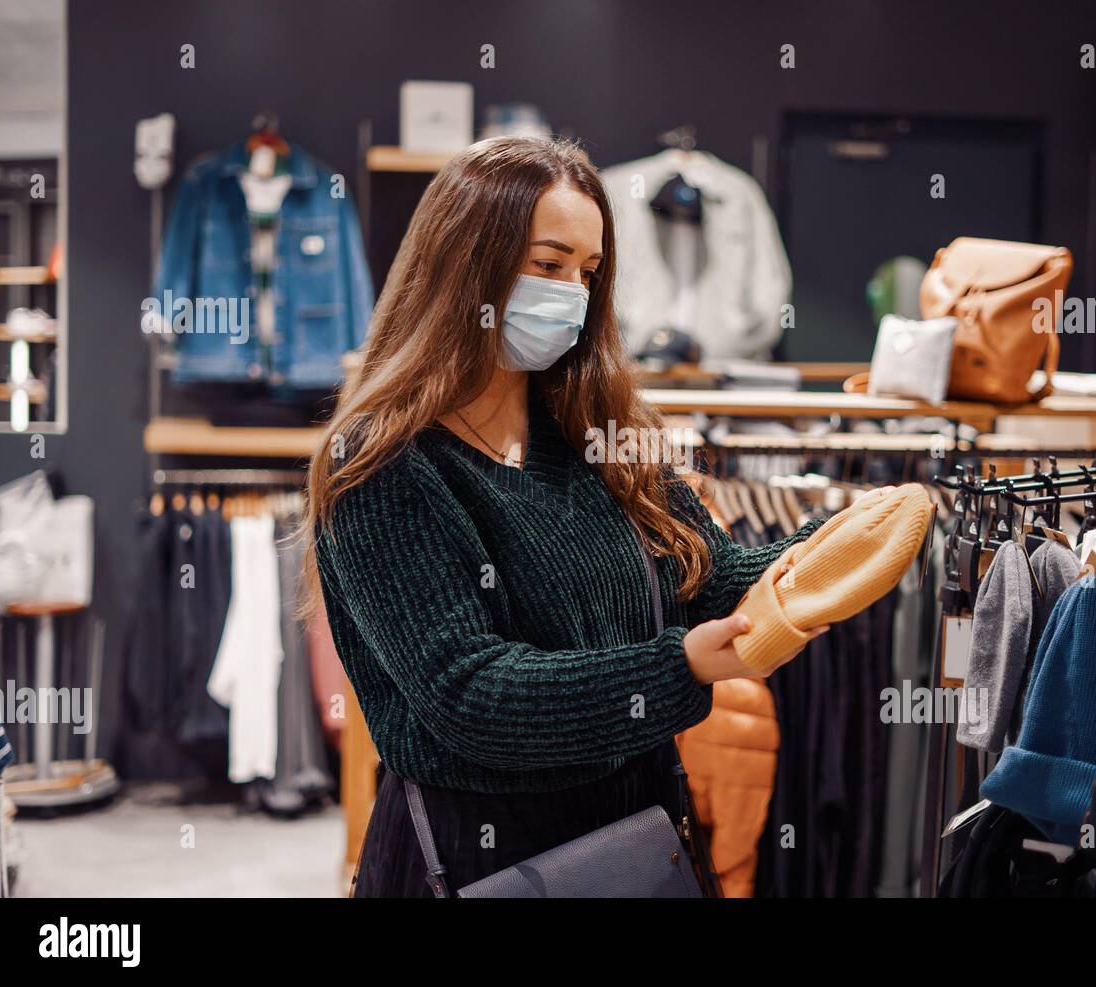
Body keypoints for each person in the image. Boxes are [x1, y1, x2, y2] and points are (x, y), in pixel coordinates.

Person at [302, 136, 828, 896]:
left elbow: (707, 576)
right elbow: (469, 694)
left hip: (640, 835)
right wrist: (679, 667)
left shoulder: (596, 430)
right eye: (548, 265)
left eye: (588, 272)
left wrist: (827, 551)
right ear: (465, 263)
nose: (572, 294)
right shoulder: (385, 464)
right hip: (479, 856)